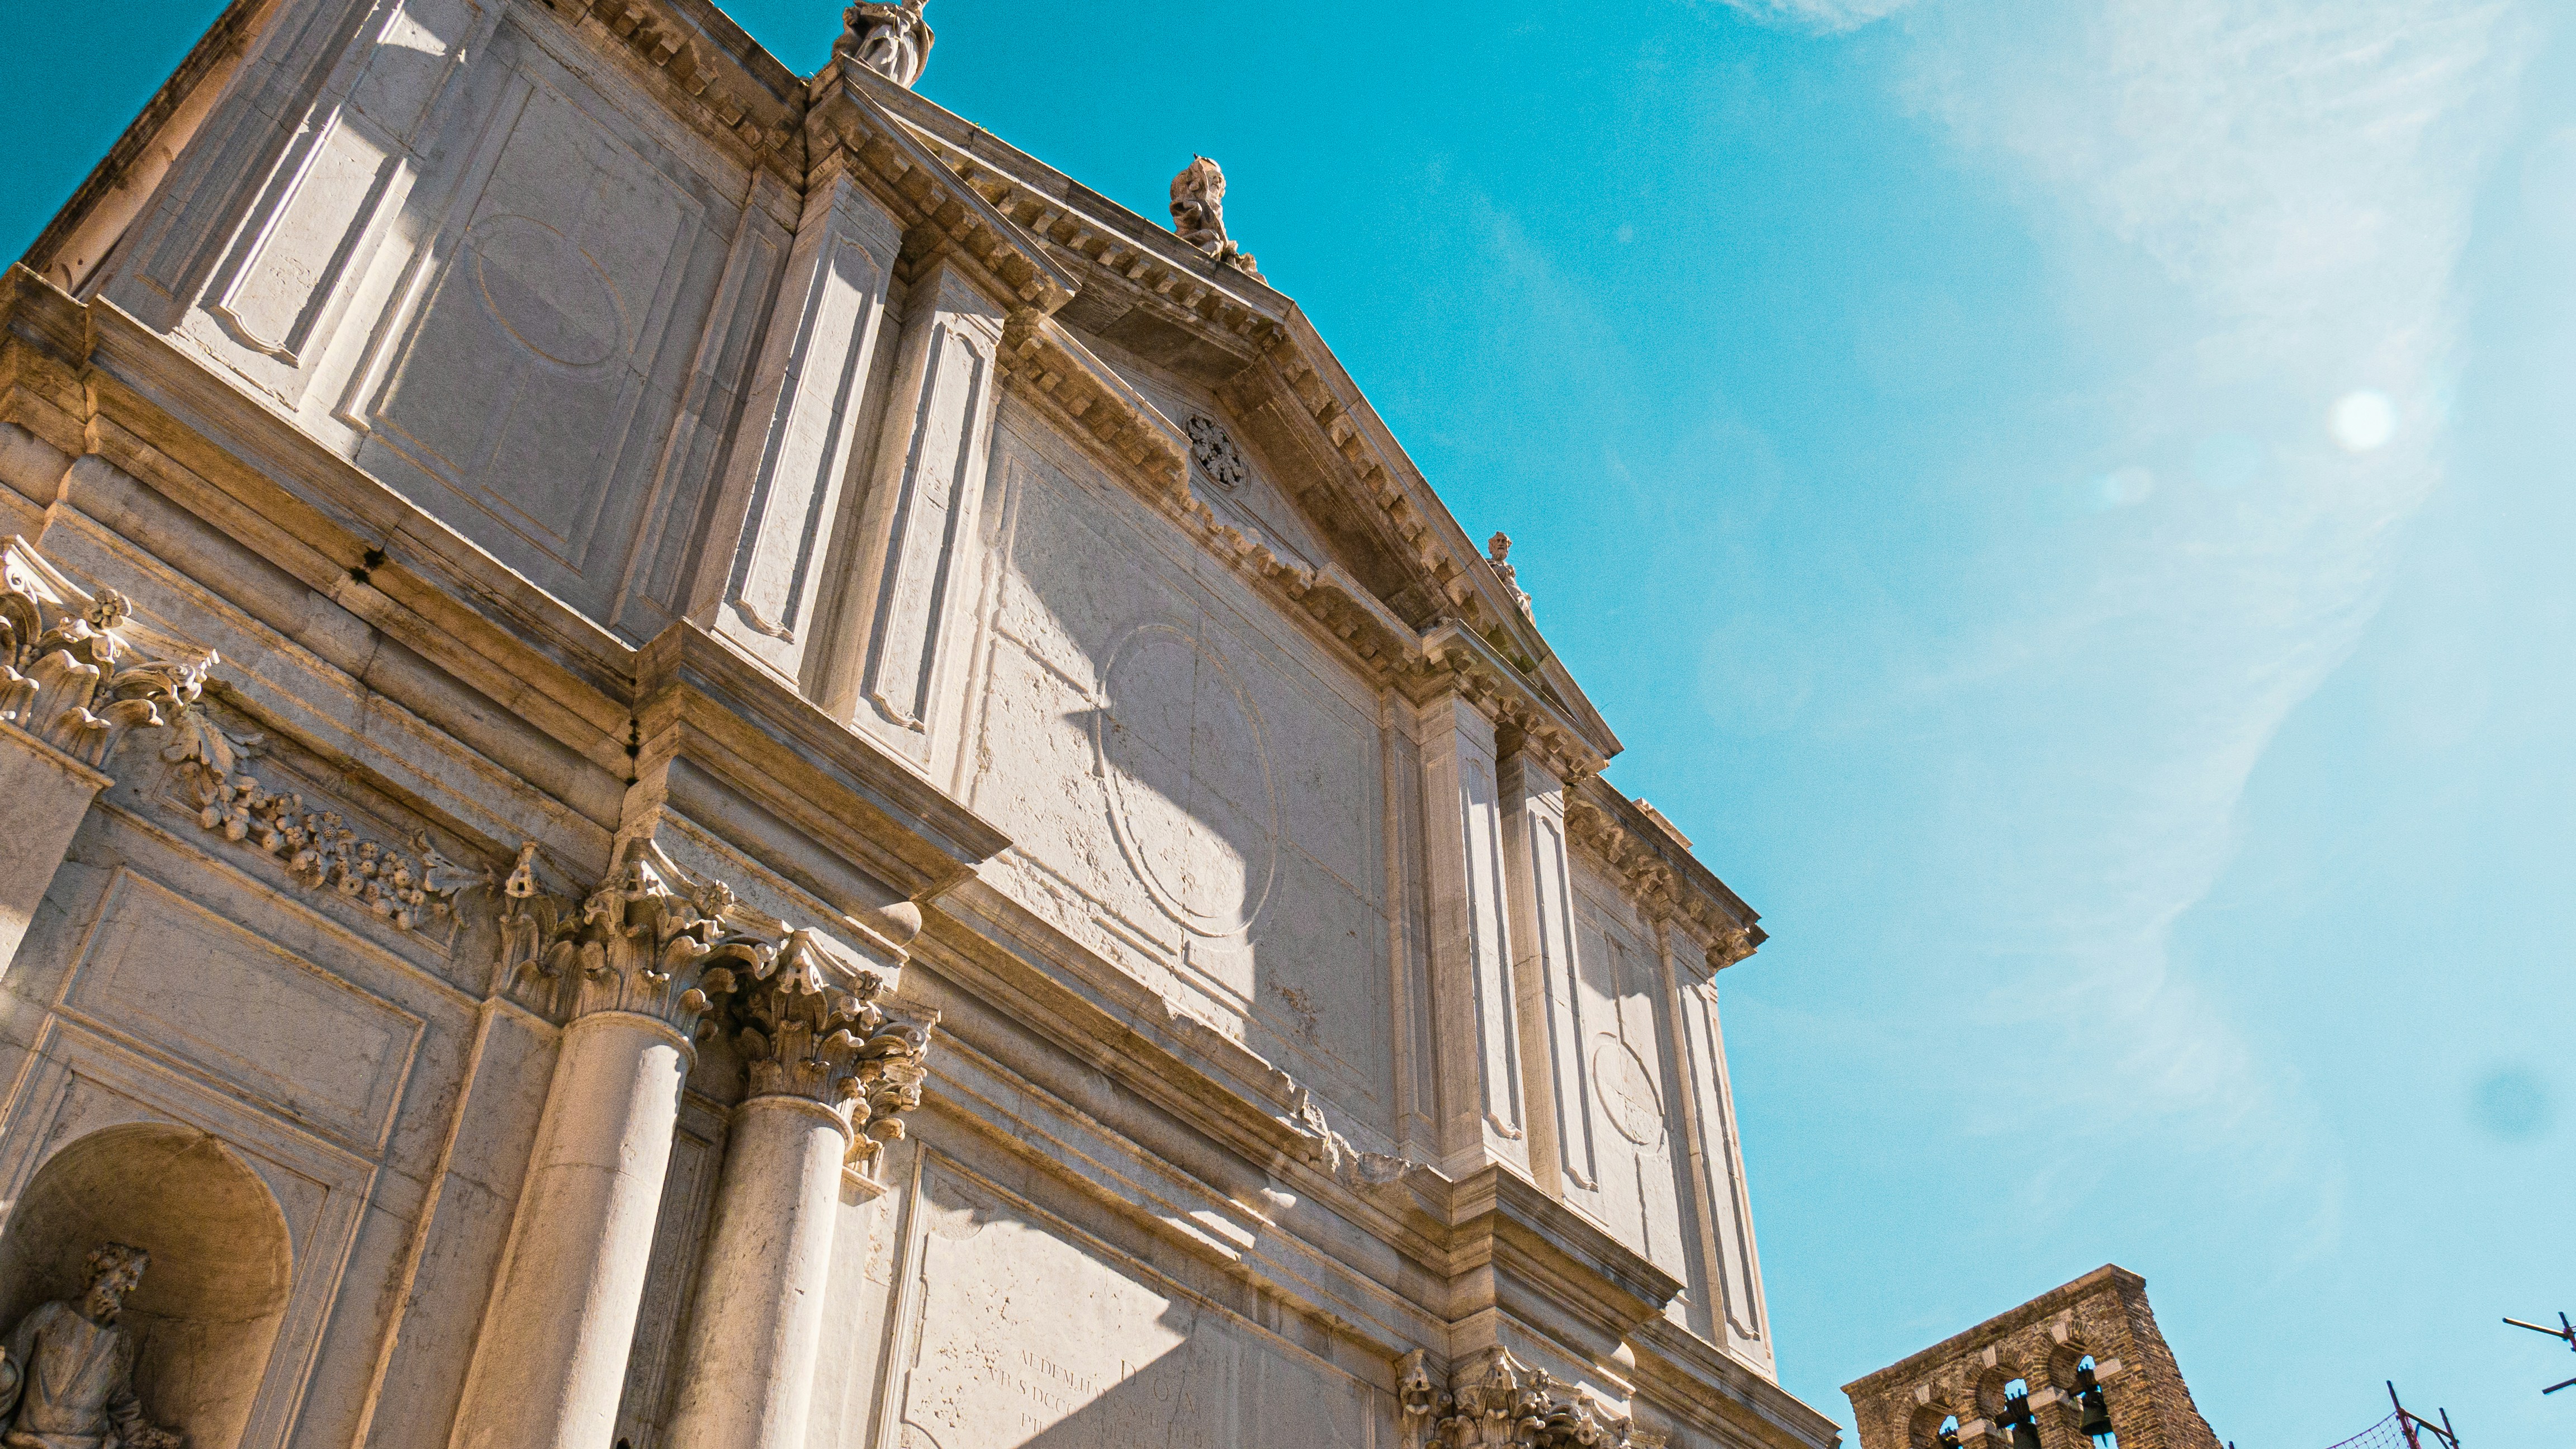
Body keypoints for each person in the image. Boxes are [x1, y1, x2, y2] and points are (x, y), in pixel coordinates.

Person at [0, 1243, 184, 1448]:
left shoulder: (121, 1341)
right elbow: (11, 1363)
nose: (131, 1286)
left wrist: (146, 1435)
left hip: (93, 1444)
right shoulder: (52, 1314)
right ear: (102, 1269)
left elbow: (122, 1403)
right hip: (34, 1441)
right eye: (127, 1274)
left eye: (136, 1280)